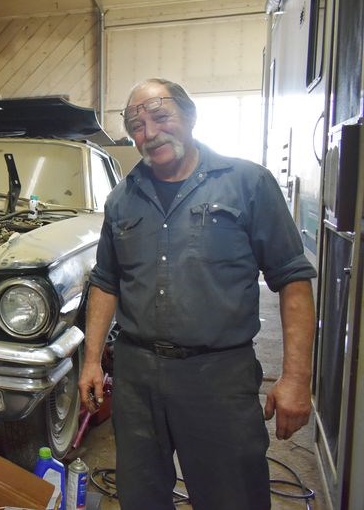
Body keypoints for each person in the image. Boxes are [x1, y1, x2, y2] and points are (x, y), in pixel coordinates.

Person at [78, 78, 316, 509]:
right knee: (141, 496)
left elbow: (292, 280)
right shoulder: (121, 200)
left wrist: (297, 378)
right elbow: (106, 282)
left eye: (161, 116)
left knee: (233, 496)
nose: (149, 133)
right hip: (137, 377)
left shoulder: (248, 183)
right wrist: (92, 360)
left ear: (189, 117)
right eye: (136, 125)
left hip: (219, 376)